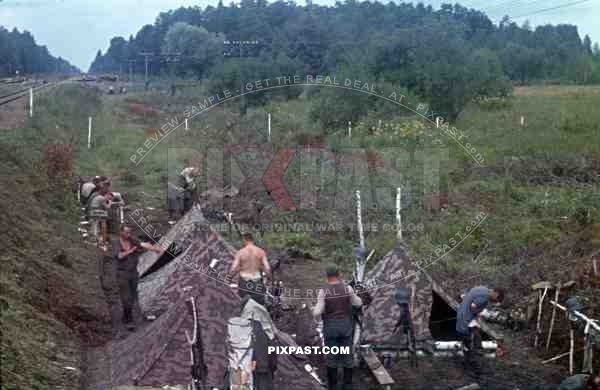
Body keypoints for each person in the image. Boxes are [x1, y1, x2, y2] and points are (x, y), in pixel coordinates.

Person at [312, 264, 363, 390]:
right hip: (345, 326)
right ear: (338, 274)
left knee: (332, 356)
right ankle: (347, 385)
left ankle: (333, 386)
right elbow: (358, 303)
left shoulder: (323, 291)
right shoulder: (348, 289)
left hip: (331, 327)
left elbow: (318, 312)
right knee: (347, 355)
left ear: (327, 276)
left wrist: (314, 310)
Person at [112, 225, 161, 330]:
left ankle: (126, 316)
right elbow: (119, 256)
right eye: (126, 232)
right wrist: (130, 251)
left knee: (133, 296)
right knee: (126, 297)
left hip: (133, 273)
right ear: (121, 232)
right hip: (122, 273)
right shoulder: (116, 242)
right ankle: (129, 320)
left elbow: (143, 244)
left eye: (129, 232)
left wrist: (155, 249)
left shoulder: (132, 240)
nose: (128, 235)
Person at [456, 286, 504, 370]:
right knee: (474, 341)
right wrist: (477, 314)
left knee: (470, 340)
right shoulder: (484, 297)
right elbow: (473, 306)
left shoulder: (482, 288)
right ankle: (472, 363)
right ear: (495, 293)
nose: (496, 300)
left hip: (463, 315)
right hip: (467, 319)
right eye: (497, 298)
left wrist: (477, 316)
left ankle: (468, 361)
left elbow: (464, 296)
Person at [229, 232, 271, 305]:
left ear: (244, 240)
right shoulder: (261, 252)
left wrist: (229, 279)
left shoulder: (240, 252)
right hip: (257, 283)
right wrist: (268, 280)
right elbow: (268, 268)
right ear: (252, 240)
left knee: (245, 305)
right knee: (259, 305)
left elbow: (233, 269)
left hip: (244, 283)